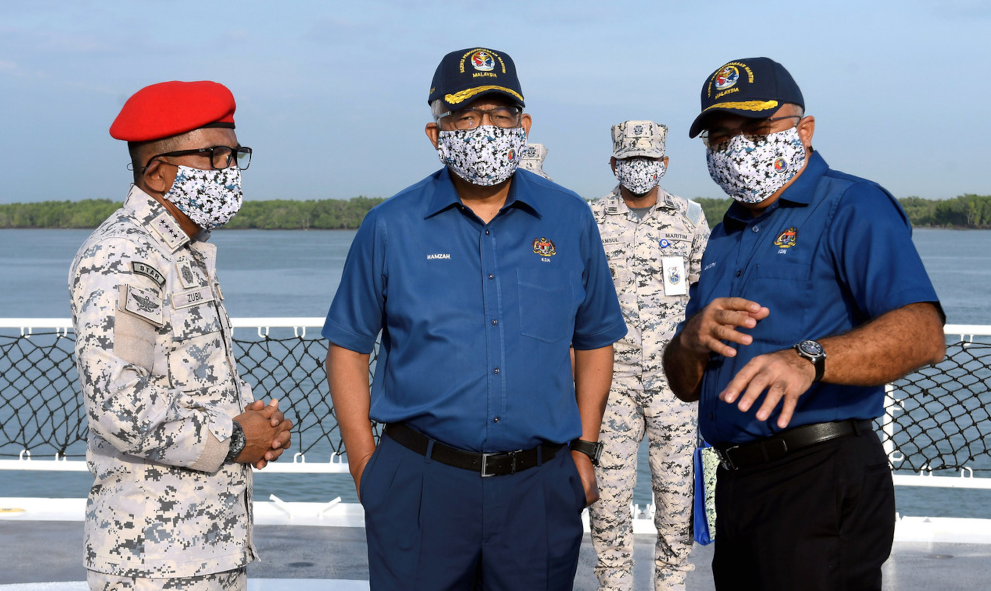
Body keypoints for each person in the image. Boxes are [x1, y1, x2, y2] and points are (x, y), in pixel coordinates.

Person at [323, 47, 627, 590]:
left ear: (523, 125)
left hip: (539, 485)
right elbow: (348, 347)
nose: (484, 129)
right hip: (420, 485)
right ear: (436, 133)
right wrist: (366, 468)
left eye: (500, 115)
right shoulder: (389, 225)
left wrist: (584, 451)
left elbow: (596, 337)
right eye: (465, 117)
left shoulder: (570, 218)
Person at [662, 57, 946, 590]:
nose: (736, 147)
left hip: (819, 473)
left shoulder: (852, 205)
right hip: (739, 482)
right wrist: (689, 340)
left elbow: (923, 334)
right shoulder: (724, 234)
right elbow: (683, 383)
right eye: (720, 138)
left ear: (804, 129)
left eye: (755, 127)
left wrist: (810, 358)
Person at [69, 80, 293, 591]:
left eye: (235, 156)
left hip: (203, 548)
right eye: (213, 155)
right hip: (151, 557)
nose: (228, 171)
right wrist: (237, 438)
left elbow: (186, 377)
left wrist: (256, 423)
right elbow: (119, 406)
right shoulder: (124, 256)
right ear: (158, 171)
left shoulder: (181, 252)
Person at [588, 121, 709, 591]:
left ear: (664, 163)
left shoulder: (689, 217)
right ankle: (614, 586)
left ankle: (672, 586)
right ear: (615, 163)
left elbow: (704, 292)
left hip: (674, 380)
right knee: (608, 500)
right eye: (630, 160)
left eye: (648, 160)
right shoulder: (591, 219)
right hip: (610, 379)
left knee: (676, 497)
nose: (639, 169)